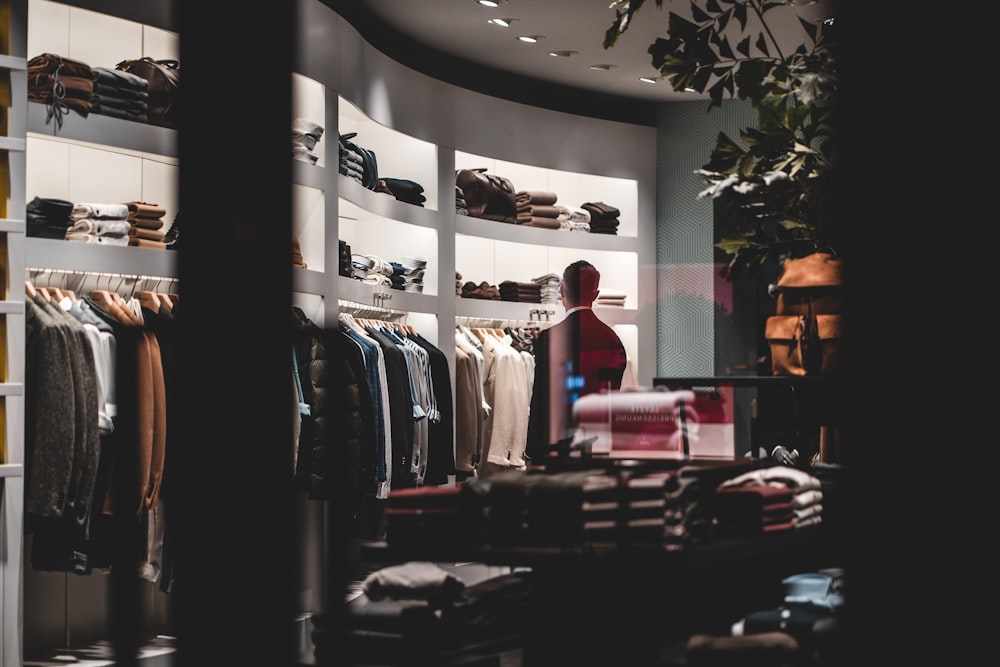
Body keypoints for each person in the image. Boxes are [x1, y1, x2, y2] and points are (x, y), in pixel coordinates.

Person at [525, 260, 629, 461]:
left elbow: (539, 400)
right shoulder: (613, 340)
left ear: (562, 290)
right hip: (600, 447)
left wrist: (532, 452)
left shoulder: (549, 339)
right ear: (595, 295)